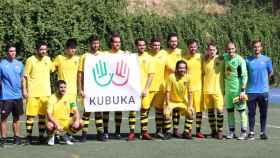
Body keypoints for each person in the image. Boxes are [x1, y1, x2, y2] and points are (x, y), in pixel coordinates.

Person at [23, 41, 54, 144]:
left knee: (42, 116)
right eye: (41, 49)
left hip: (45, 93)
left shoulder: (48, 59)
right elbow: (25, 76)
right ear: (36, 50)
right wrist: (24, 89)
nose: (43, 51)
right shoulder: (30, 60)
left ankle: (41, 136)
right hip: (33, 93)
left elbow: (54, 69)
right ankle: (29, 137)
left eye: (45, 49)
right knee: (30, 116)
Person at [78, 35, 106, 142]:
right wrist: (80, 89)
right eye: (94, 43)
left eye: (97, 43)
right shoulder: (84, 56)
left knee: (99, 112)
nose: (96, 45)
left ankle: (100, 133)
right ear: (89, 44)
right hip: (88, 89)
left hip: (99, 88)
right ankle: (84, 134)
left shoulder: (103, 55)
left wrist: (127, 55)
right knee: (87, 111)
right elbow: (80, 73)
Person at [127, 38, 155, 140]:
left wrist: (146, 89)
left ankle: (144, 132)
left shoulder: (149, 58)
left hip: (144, 89)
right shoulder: (131, 57)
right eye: (139, 45)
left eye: (143, 45)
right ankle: (132, 132)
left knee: (144, 110)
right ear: (136, 46)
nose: (142, 47)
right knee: (133, 110)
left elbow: (151, 75)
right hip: (133, 89)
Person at [245, 40, 273, 140]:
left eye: (258, 47)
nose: (256, 48)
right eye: (255, 47)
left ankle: (262, 132)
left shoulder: (267, 60)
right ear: (252, 48)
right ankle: (251, 132)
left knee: (263, 113)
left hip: (263, 91)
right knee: (251, 113)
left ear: (261, 48)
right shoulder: (247, 60)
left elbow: (270, 72)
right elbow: (244, 73)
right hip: (251, 91)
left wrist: (265, 82)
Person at [0, 43, 25, 146]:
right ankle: (3, 139)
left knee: (17, 119)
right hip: (6, 97)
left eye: (14, 51)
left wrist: (23, 91)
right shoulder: (2, 64)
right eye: (10, 51)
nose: (12, 53)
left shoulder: (20, 64)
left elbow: (22, 78)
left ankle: (17, 138)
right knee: (3, 119)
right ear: (7, 52)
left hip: (18, 97)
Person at [102, 33, 125, 139]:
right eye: (115, 42)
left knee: (118, 109)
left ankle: (118, 131)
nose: (117, 44)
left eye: (119, 42)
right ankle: (105, 131)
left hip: (120, 85)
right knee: (106, 109)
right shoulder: (105, 54)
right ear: (111, 43)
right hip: (108, 85)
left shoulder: (125, 55)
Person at [46, 80, 83, 146]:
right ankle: (51, 136)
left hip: (66, 121)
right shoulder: (52, 98)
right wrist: (57, 123)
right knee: (49, 125)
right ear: (56, 88)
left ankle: (66, 135)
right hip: (55, 122)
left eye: (64, 87)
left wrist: (77, 120)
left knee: (81, 123)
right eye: (61, 87)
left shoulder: (70, 97)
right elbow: (49, 115)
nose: (63, 89)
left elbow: (76, 111)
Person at [163, 60, 193, 140]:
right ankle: (168, 132)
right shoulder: (171, 77)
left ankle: (186, 132)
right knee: (166, 113)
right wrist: (167, 104)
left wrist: (190, 106)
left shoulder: (189, 77)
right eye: (180, 68)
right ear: (176, 69)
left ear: (186, 69)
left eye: (184, 68)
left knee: (190, 113)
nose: (182, 69)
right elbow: (167, 92)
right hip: (172, 101)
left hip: (182, 101)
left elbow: (190, 93)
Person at [224, 42, 248, 140]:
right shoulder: (225, 57)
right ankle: (231, 132)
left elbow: (245, 76)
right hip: (228, 91)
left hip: (238, 92)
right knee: (229, 111)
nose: (231, 51)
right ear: (226, 50)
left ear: (235, 49)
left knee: (241, 111)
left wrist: (242, 90)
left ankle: (243, 132)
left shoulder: (240, 60)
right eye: (229, 49)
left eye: (232, 49)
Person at [182, 39, 204, 139]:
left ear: (197, 47)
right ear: (188, 47)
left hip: (199, 89)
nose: (193, 49)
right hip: (188, 89)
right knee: (189, 110)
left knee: (199, 111)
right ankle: (187, 131)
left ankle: (198, 131)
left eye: (194, 46)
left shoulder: (201, 57)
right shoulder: (184, 58)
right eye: (191, 47)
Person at [202, 42, 224, 140]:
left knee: (219, 110)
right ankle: (213, 130)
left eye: (213, 50)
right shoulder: (204, 61)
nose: (211, 51)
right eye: (210, 50)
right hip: (207, 90)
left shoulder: (221, 59)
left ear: (216, 50)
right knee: (210, 111)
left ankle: (220, 130)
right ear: (207, 50)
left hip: (218, 90)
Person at [162, 33, 182, 138]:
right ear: (168, 42)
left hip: (178, 85)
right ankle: (166, 130)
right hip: (166, 84)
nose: (174, 43)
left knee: (176, 109)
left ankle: (176, 130)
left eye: (175, 41)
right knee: (167, 108)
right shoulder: (163, 52)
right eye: (172, 41)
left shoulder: (181, 52)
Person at [148, 37, 168, 139]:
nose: (156, 47)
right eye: (154, 45)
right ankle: (144, 132)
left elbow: (171, 68)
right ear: (150, 46)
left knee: (159, 110)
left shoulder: (163, 55)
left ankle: (158, 130)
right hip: (147, 88)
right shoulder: (146, 55)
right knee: (144, 110)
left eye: (158, 45)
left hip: (160, 88)